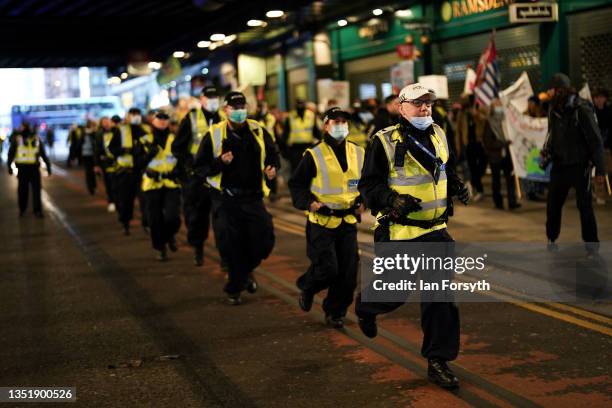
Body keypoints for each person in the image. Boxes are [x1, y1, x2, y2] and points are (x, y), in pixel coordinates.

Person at [354, 83, 470, 389]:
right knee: (395, 292)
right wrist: (390, 200)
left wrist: (456, 185)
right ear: (400, 106)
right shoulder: (383, 140)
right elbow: (367, 186)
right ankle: (366, 305)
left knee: (440, 299)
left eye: (428, 103)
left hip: (435, 231)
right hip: (399, 232)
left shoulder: (439, 134)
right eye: (418, 103)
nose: (425, 108)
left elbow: (446, 170)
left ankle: (438, 360)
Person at [194, 91, 279, 305]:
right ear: (226, 110)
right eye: (235, 107)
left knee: (264, 241)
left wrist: (272, 168)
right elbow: (199, 168)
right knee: (232, 247)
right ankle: (234, 289)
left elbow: (272, 153)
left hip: (253, 198)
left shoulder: (258, 130)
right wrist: (220, 163)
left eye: (242, 107)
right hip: (226, 200)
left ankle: (245, 272)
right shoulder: (214, 134)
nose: (239, 111)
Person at [288, 107, 365, 328]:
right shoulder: (314, 154)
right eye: (336, 122)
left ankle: (335, 311)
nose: (341, 126)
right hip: (321, 222)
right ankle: (308, 286)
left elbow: (367, 184)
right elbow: (297, 185)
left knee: (348, 273)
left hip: (347, 221)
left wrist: (363, 201)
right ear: (326, 126)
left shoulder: (358, 152)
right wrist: (309, 202)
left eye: (344, 122)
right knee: (328, 268)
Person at [541, 73, 606, 252]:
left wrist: (600, 170)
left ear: (561, 90)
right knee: (553, 205)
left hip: (580, 167)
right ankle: (551, 238)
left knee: (584, 206)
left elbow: (595, 141)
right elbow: (553, 136)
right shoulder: (553, 109)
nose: (549, 94)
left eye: (552, 90)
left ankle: (591, 246)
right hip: (560, 166)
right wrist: (547, 151)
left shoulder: (582, 109)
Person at [172, 86, 223, 266]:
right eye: (209, 97)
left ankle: (225, 255)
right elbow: (177, 147)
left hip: (219, 175)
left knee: (222, 218)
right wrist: (190, 164)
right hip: (197, 176)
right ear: (201, 99)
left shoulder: (224, 119)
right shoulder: (191, 119)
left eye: (215, 97)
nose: (212, 101)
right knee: (197, 216)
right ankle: (198, 249)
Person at [140, 111, 182, 261]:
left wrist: (178, 171)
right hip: (152, 184)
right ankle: (160, 248)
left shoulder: (175, 139)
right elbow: (137, 163)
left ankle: (169, 235)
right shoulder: (145, 139)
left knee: (173, 218)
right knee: (155, 220)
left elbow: (182, 159)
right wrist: (149, 155)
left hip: (171, 183)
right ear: (153, 121)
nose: (163, 121)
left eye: (165, 118)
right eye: (160, 118)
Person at [108, 108, 150, 235]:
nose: (136, 117)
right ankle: (125, 223)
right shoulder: (122, 130)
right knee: (126, 200)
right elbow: (112, 148)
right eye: (133, 115)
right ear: (128, 116)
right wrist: (124, 151)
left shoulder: (146, 130)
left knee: (145, 200)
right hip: (126, 172)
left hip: (142, 171)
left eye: (137, 114)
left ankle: (146, 223)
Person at [7, 122, 52, 217]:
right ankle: (36, 211)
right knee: (35, 190)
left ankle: (23, 210)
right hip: (33, 168)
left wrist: (9, 166)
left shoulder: (18, 138)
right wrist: (48, 166)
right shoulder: (34, 138)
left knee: (23, 190)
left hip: (24, 169)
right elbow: (43, 154)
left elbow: (11, 153)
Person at [482, 99, 519, 210]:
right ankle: (498, 202)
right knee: (496, 180)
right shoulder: (489, 123)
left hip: (507, 155)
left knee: (510, 178)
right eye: (497, 106)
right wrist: (503, 143)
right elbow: (488, 142)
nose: (500, 108)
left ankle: (512, 201)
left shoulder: (506, 122)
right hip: (495, 156)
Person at [455, 94, 487, 201]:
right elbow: (458, 131)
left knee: (482, 165)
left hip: (480, 142)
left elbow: (485, 119)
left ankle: (475, 182)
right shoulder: (462, 113)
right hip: (468, 144)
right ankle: (479, 189)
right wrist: (458, 146)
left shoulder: (479, 108)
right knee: (473, 168)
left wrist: (476, 114)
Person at [281, 99, 321, 174]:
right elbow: (285, 134)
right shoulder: (290, 116)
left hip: (308, 147)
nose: (300, 107)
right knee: (296, 170)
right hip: (294, 149)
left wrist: (323, 143)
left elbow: (316, 132)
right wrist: (284, 150)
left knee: (309, 170)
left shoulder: (311, 115)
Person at [252, 100, 280, 201]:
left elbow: (275, 132)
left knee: (271, 169)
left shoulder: (271, 118)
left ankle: (273, 192)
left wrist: (279, 145)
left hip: (271, 146)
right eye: (259, 107)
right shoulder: (254, 118)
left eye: (263, 106)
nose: (261, 109)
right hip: (260, 147)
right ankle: (264, 190)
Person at [96, 116, 119, 213]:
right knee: (108, 182)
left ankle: (118, 201)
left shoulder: (117, 132)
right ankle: (111, 201)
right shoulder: (99, 134)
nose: (106, 123)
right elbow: (97, 149)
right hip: (105, 162)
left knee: (117, 182)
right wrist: (96, 164)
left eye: (107, 121)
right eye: (104, 122)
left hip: (117, 161)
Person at [81, 119, 98, 195]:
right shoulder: (83, 132)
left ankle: (93, 186)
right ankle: (91, 187)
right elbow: (80, 142)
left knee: (93, 171)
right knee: (89, 172)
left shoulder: (95, 132)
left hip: (93, 154)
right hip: (86, 154)